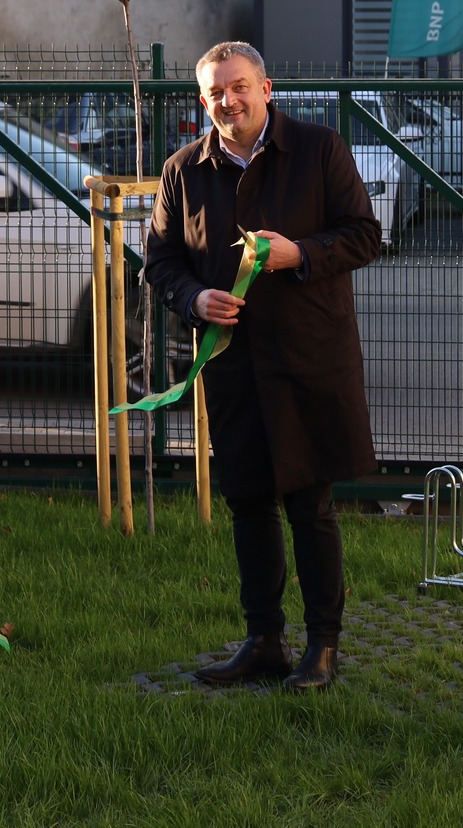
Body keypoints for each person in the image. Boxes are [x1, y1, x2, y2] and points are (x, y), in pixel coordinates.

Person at [143, 41, 382, 691]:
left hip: (308, 358)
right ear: (203, 100)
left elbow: (364, 234)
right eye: (216, 91)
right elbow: (159, 261)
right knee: (248, 502)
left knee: (310, 504)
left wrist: (296, 253)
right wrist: (192, 297)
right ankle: (264, 639)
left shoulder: (319, 149)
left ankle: (323, 646)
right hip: (232, 364)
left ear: (267, 87)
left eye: (240, 86)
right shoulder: (183, 169)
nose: (230, 100)